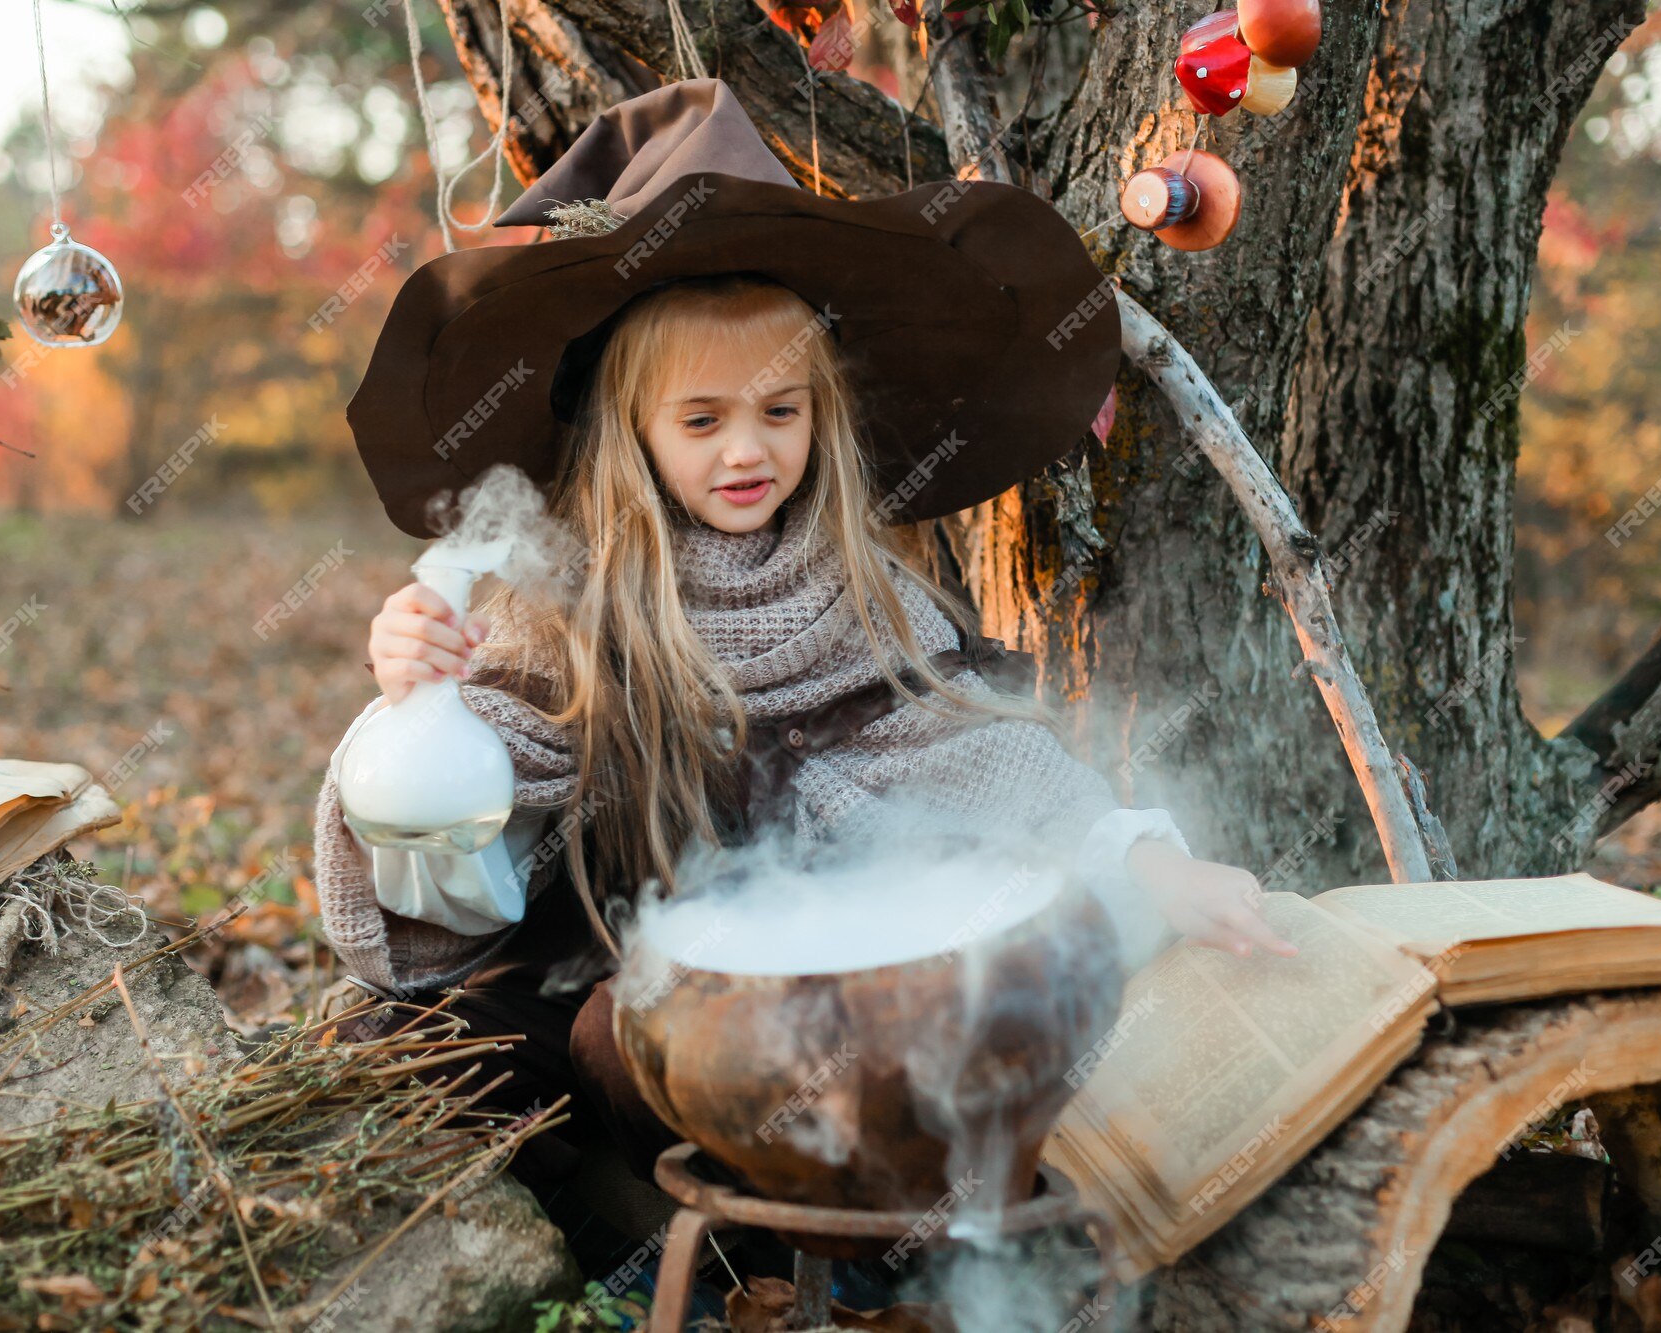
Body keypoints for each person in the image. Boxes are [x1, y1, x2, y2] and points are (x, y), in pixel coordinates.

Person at [313, 77, 1295, 1264]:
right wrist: (411, 697)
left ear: (819, 414)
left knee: (936, 1018)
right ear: (631, 430)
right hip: (597, 963)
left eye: (780, 410)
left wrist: (1140, 862)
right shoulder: (555, 598)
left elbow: (977, 760)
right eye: (702, 420)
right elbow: (458, 798)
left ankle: (793, 1242)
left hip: (824, 990)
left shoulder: (860, 592)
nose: (747, 449)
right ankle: (591, 1236)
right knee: (466, 1056)